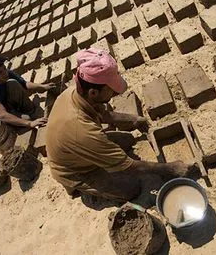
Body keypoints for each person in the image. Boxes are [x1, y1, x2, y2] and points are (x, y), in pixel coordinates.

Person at [46, 48, 193, 202]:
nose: (115, 93)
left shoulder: (76, 92)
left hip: (76, 146)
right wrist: (170, 169)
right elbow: (127, 166)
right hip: (75, 170)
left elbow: (102, 114)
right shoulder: (83, 131)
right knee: (131, 188)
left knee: (127, 140)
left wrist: (133, 119)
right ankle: (81, 187)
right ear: (93, 93)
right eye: (111, 90)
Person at [0, 52, 53, 128]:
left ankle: (30, 111)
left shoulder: (6, 73)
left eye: (4, 68)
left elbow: (25, 84)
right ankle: (22, 119)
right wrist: (29, 123)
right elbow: (2, 115)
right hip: (2, 117)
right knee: (27, 119)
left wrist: (43, 87)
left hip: (8, 102)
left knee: (12, 83)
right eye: (0, 72)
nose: (5, 73)